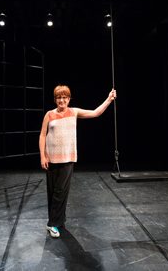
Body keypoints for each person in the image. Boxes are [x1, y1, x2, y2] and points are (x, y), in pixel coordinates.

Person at [39, 84, 117, 238]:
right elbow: (42, 135)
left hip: (67, 158)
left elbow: (95, 113)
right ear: (55, 99)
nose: (62, 100)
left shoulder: (74, 112)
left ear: (69, 99)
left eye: (64, 97)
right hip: (51, 159)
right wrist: (43, 155)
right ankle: (58, 221)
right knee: (53, 191)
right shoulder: (49, 114)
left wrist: (109, 99)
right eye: (59, 97)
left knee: (60, 192)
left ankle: (52, 224)